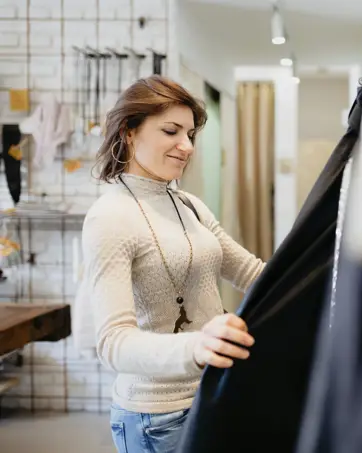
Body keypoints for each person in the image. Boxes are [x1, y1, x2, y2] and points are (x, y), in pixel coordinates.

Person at [81, 75, 266, 453]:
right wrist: (198, 347)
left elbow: (252, 273)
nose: (186, 146)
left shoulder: (190, 205)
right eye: (171, 131)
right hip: (156, 417)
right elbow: (113, 343)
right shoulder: (110, 217)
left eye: (191, 134)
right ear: (130, 131)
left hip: (211, 394)